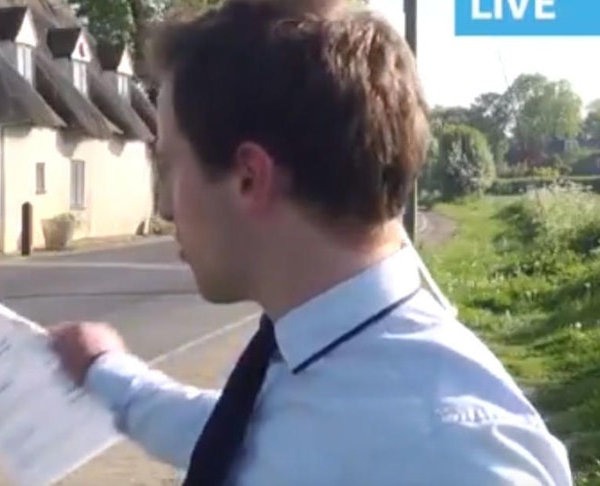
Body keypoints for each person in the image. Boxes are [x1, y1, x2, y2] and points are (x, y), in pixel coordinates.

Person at [49, 1, 573, 485]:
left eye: (168, 167)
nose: (164, 206)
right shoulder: (319, 351)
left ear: (250, 177)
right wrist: (106, 372)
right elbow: (249, 438)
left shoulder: (453, 455)